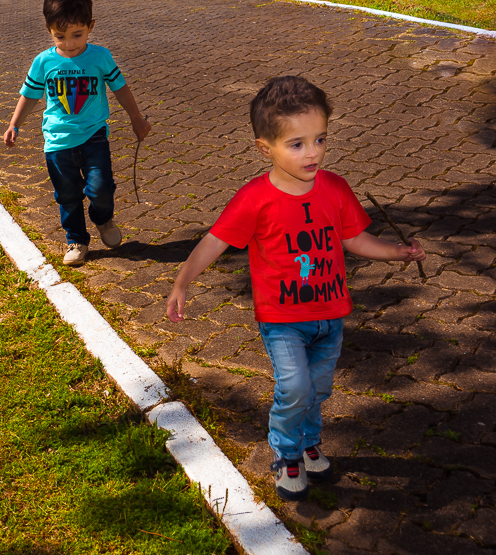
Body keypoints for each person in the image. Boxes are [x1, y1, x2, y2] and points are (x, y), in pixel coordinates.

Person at [165, 76, 425, 501]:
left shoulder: (336, 188)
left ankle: (308, 442)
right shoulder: (255, 198)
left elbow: (355, 240)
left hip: (330, 317)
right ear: (265, 148)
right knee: (296, 387)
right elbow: (215, 240)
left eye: (320, 139)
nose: (314, 152)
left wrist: (398, 252)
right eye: (297, 144)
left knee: (318, 390)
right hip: (283, 321)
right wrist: (182, 282)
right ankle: (286, 454)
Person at [4, 0, 151, 266]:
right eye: (60, 36)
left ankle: (103, 219)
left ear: (91, 26)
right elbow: (30, 95)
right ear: (48, 29)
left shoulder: (100, 57)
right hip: (57, 142)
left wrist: (136, 118)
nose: (69, 43)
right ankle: (76, 240)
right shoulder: (43, 62)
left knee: (101, 188)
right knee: (68, 195)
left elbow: (120, 88)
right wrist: (14, 124)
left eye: (77, 35)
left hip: (94, 136)